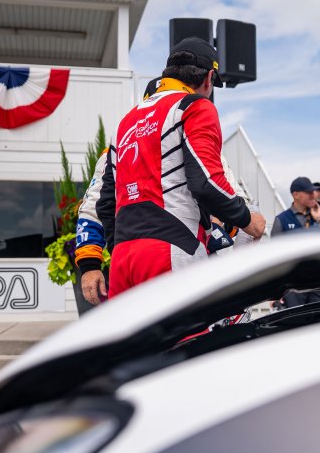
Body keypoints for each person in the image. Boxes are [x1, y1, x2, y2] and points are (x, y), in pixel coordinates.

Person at [76, 37, 266, 302]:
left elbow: (104, 204)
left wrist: (115, 247)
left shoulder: (125, 123)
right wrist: (247, 220)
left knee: (138, 332)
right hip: (173, 249)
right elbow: (206, 183)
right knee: (192, 331)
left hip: (123, 257)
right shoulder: (194, 107)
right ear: (209, 78)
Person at [270, 177, 320, 307]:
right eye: (308, 192)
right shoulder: (282, 219)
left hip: (319, 281)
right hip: (294, 284)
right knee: (297, 318)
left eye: (313, 191)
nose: (312, 195)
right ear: (295, 195)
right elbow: (274, 254)